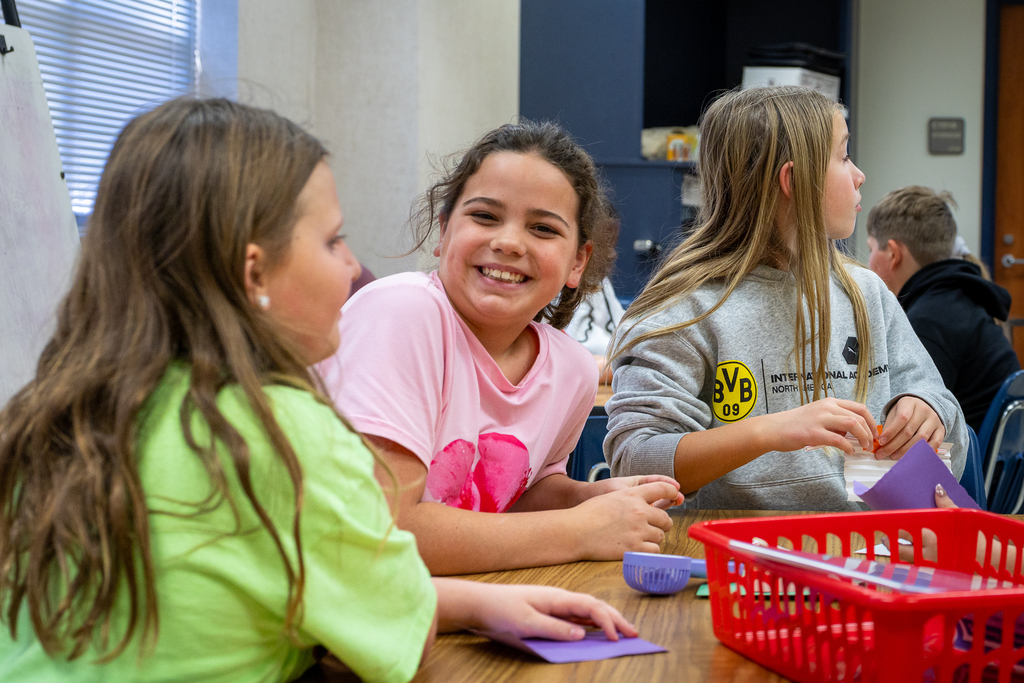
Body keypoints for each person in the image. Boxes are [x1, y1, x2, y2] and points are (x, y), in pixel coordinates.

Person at [0, 99, 638, 683]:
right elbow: (395, 639)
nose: (352, 267)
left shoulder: (55, 414)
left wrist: (483, 596)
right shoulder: (287, 433)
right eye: (334, 241)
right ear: (255, 273)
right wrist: (566, 538)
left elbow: (289, 583)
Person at [319, 121, 684, 576]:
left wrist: (590, 498)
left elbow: (516, 495)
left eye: (543, 228)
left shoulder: (571, 368)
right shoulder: (401, 312)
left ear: (578, 262)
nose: (508, 242)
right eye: (485, 216)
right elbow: (380, 531)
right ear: (444, 230)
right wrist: (580, 530)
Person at [603, 86, 968, 512]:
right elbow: (633, 463)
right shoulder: (685, 308)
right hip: (734, 556)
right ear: (793, 181)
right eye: (844, 155)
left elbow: (950, 425)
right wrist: (767, 432)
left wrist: (929, 410)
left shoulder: (866, 291)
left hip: (866, 546)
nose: (859, 175)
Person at [866, 185, 1020, 434]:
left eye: (872, 248)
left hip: (965, 468)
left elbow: (897, 423)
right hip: (997, 466)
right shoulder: (959, 299)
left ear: (893, 253)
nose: (869, 260)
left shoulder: (928, 321)